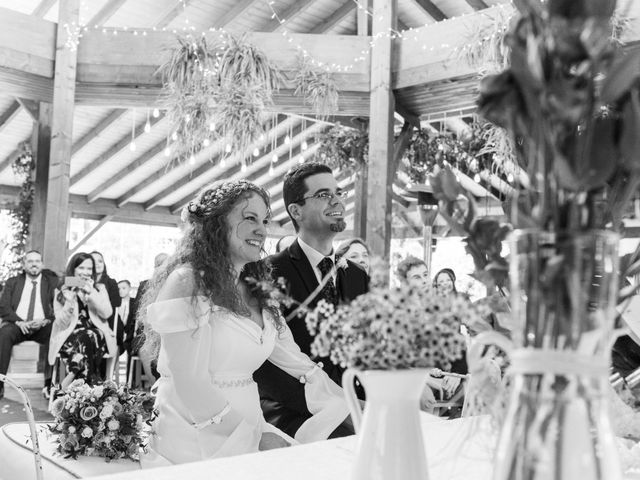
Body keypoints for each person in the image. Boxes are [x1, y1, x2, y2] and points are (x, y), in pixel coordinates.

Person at [138, 180, 350, 465]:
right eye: (249, 218)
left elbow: (299, 363)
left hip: (251, 428)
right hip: (193, 441)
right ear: (216, 223)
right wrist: (255, 440)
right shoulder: (187, 281)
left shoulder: (259, 289)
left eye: (264, 220)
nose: (262, 229)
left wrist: (353, 406)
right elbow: (191, 382)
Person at [254, 162, 369, 439]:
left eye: (338, 192)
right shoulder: (268, 273)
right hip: (295, 412)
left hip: (360, 406)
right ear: (296, 211)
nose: (337, 200)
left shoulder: (356, 275)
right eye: (323, 194)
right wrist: (338, 410)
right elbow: (266, 362)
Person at [49, 252, 116, 388]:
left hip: (96, 335)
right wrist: (69, 302)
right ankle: (90, 382)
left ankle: (73, 378)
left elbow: (107, 313)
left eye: (89, 269)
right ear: (73, 269)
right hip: (69, 336)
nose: (85, 272)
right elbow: (62, 323)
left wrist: (92, 294)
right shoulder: (62, 289)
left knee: (90, 335)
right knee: (85, 337)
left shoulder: (99, 288)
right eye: (81, 268)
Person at [0, 250, 58, 399]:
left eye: (37, 261)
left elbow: (59, 307)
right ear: (24, 264)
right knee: (4, 334)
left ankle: (49, 384)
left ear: (42, 264)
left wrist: (45, 320)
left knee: (54, 333)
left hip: (42, 325)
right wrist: (19, 322)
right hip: (18, 325)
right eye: (30, 261)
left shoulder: (51, 282)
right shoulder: (13, 282)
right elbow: (3, 306)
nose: (34, 264)